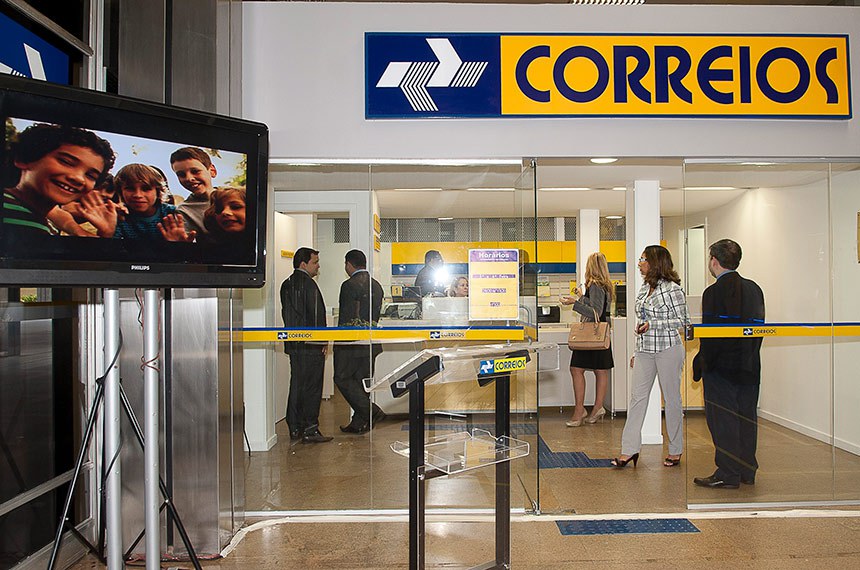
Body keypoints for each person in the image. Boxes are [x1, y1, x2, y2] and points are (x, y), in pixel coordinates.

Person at [692, 239, 765, 489]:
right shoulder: (754, 289)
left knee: (723, 421)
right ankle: (746, 470)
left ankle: (728, 472)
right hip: (749, 366)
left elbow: (712, 336)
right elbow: (758, 330)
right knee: (746, 418)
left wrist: (703, 362)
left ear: (714, 261)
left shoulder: (713, 293)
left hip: (721, 369)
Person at [611, 245, 690, 469]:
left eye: (643, 259)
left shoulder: (673, 289)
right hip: (645, 350)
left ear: (655, 262)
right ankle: (629, 450)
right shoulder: (645, 287)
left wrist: (654, 324)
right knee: (637, 398)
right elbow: (641, 321)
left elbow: (684, 322)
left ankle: (675, 449)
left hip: (668, 349)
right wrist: (636, 351)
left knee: (672, 400)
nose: (639, 263)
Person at [2, 123, 115, 239]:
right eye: (66, 162)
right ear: (24, 159)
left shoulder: (44, 220)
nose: (79, 178)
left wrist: (106, 233)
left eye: (91, 176)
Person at [280, 247, 333, 444]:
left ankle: (295, 427)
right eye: (315, 262)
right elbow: (317, 316)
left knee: (296, 385)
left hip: (295, 346)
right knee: (312, 387)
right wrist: (323, 341)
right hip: (311, 346)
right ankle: (310, 428)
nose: (318, 266)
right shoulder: (309, 285)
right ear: (303, 264)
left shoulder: (286, 284)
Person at [333, 249, 385, 434]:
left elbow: (347, 318)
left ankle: (372, 411)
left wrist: (339, 343)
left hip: (352, 344)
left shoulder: (348, 286)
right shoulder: (376, 285)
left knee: (341, 378)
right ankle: (359, 423)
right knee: (362, 383)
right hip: (370, 343)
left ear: (349, 264)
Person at [560, 252, 614, 427]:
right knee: (600, 370)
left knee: (576, 369)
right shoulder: (605, 285)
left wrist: (574, 303)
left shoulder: (595, 285)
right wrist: (581, 297)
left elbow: (595, 312)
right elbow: (598, 307)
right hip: (601, 333)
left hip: (591, 333)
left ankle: (579, 410)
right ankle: (597, 408)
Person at [112, 163, 185, 242]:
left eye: (146, 189)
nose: (138, 195)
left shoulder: (172, 213)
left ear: (158, 191)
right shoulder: (120, 216)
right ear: (120, 191)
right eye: (130, 188)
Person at [170, 146, 217, 238]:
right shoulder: (184, 211)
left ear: (212, 171)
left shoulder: (236, 196)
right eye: (181, 174)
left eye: (195, 171)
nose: (189, 178)